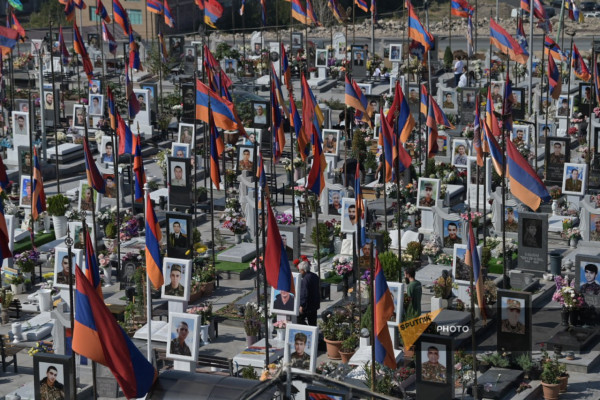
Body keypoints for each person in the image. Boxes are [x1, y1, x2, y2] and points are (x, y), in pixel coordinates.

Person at [298, 260, 320, 326]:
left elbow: (304, 293)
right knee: (313, 323)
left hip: (307, 306)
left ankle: (306, 329)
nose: (299, 271)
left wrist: (302, 305)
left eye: (300, 270)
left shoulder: (305, 279)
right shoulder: (315, 276)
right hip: (314, 304)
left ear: (303, 270)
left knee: (299, 320)